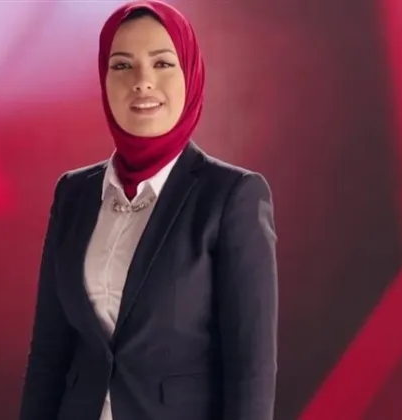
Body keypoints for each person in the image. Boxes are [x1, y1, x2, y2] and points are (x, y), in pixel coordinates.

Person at [18, 1, 278, 419]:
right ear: (104, 78)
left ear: (189, 73)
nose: (142, 82)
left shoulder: (232, 197)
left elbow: (251, 371)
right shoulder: (73, 194)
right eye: (122, 65)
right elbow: (49, 353)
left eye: (162, 64)